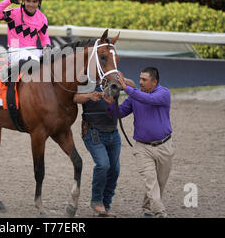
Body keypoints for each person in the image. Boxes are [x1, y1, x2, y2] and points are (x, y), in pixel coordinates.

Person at [108, 67, 174, 218]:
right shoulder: (135, 97)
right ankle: (160, 213)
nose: (140, 82)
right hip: (142, 148)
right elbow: (119, 113)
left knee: (160, 182)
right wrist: (110, 102)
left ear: (154, 82)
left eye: (144, 80)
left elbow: (149, 99)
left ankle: (147, 209)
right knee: (151, 181)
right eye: (140, 79)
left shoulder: (163, 93)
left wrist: (127, 88)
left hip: (165, 146)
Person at [73, 77, 135, 217]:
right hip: (93, 131)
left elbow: (132, 85)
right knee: (103, 164)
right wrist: (89, 96)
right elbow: (75, 97)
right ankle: (97, 202)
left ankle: (105, 206)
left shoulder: (113, 79)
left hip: (113, 132)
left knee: (115, 169)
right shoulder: (87, 81)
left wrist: (121, 79)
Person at [0, 0, 51, 81]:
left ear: (39, 2)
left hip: (33, 50)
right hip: (15, 49)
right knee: (34, 61)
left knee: (53, 61)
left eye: (34, 1)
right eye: (28, 1)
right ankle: (7, 71)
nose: (31, 4)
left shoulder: (42, 18)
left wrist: (47, 47)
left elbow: (44, 38)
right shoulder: (14, 13)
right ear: (23, 1)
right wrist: (9, 1)